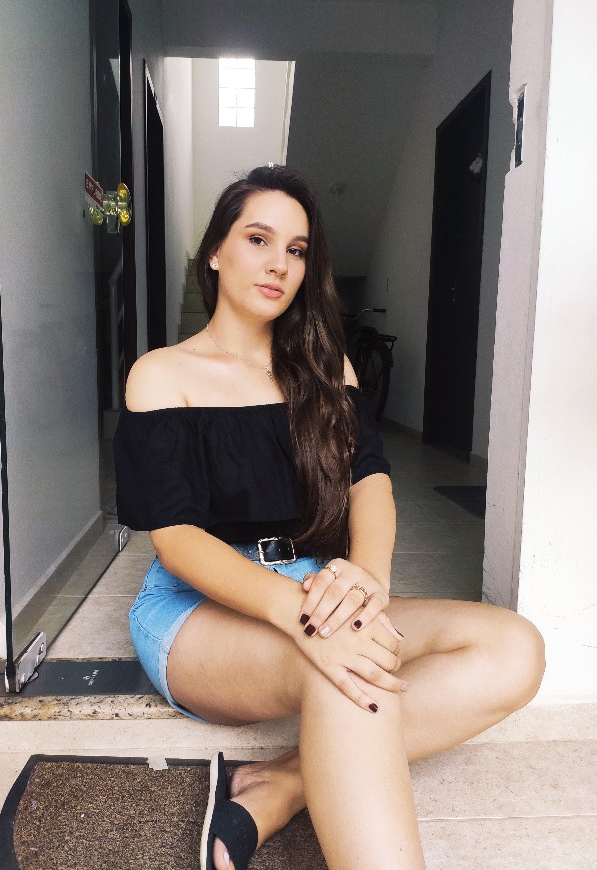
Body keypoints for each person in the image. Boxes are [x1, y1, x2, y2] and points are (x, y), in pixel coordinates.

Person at [113, 165, 545, 870]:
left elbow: (369, 481)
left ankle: (285, 782)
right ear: (215, 251)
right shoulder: (162, 373)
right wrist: (307, 615)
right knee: (349, 660)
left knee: (512, 648)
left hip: (320, 584)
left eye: (297, 249)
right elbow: (178, 539)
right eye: (258, 239)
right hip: (197, 608)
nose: (278, 264)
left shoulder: (327, 368)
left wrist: (367, 579)